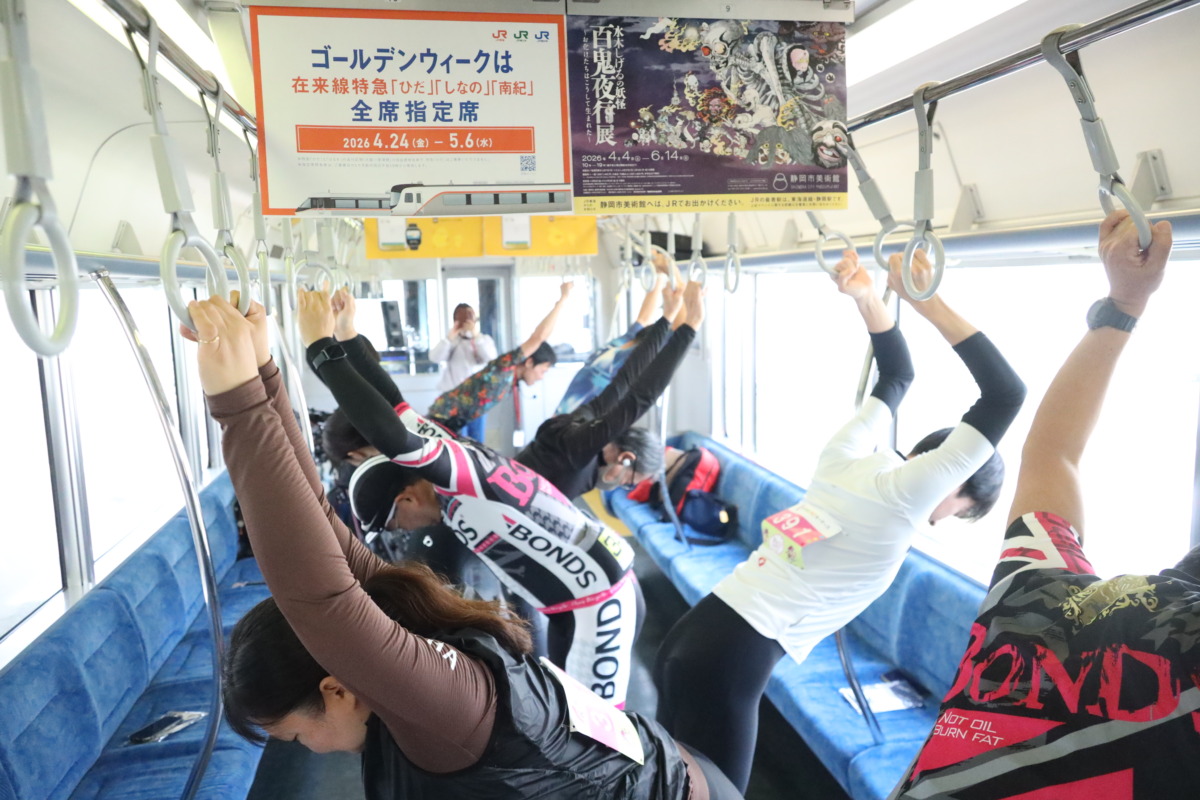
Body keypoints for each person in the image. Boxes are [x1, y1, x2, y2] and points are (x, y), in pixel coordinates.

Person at [187, 294, 743, 800]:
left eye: (295, 736)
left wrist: (252, 393)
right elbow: (324, 526)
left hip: (634, 682)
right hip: (596, 651)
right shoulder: (416, 665)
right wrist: (261, 372)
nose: (306, 747)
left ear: (336, 691)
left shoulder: (447, 710)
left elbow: (321, 598)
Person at [653, 249, 1027, 793]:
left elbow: (897, 375)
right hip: (732, 661)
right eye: (959, 511)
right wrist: (925, 299)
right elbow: (1006, 393)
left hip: (696, 632)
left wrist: (867, 297)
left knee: (663, 785)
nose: (942, 520)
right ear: (956, 485)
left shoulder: (846, 453)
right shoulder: (907, 496)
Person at [890, 213, 1183, 798]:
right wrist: (924, 301)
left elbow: (1052, 453)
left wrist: (1126, 302)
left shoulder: (1037, 601)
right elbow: (1018, 411)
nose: (937, 515)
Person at [299, 289, 645, 708]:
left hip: (598, 597)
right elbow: (392, 400)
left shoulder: (457, 479)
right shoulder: (448, 460)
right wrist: (347, 334)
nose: (401, 531)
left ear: (406, 500)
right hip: (570, 596)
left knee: (597, 725)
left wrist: (320, 348)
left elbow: (388, 431)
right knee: (568, 707)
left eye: (393, 524)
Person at [515, 278, 704, 500]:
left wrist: (667, 317)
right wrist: (691, 326)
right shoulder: (581, 446)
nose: (622, 484)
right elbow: (641, 398)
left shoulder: (586, 421)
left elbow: (624, 381)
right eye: (629, 481)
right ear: (626, 458)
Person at [426, 282, 572, 435]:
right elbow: (539, 337)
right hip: (443, 417)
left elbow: (489, 357)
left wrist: (476, 336)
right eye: (543, 371)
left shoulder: (488, 347)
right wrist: (562, 300)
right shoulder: (505, 366)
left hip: (461, 418)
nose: (541, 377)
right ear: (529, 362)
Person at [428, 302, 497, 442]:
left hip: (477, 399)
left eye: (470, 317)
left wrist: (476, 336)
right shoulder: (450, 341)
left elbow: (491, 359)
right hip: (453, 400)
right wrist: (449, 338)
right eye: (462, 318)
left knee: (477, 440)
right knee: (457, 440)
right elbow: (434, 358)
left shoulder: (484, 340)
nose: (467, 321)